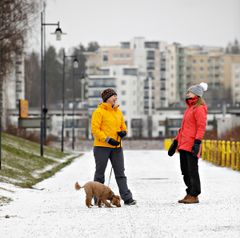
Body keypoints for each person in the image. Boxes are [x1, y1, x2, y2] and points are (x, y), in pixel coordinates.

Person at [91, 88, 136, 205]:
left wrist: (124, 132)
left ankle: (127, 198)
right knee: (100, 174)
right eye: (113, 96)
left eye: (116, 96)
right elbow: (95, 130)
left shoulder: (118, 111)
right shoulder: (99, 112)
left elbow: (123, 126)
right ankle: (97, 199)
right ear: (107, 98)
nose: (115, 98)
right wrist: (107, 139)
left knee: (120, 173)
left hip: (117, 147)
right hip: (101, 147)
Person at [168, 82, 208, 204]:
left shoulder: (199, 109)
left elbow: (201, 127)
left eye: (189, 92)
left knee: (192, 170)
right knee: (185, 171)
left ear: (196, 94)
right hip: (183, 145)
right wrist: (175, 142)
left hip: (192, 145)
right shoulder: (189, 109)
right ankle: (189, 192)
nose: (187, 94)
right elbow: (183, 129)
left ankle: (194, 194)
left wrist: (197, 142)